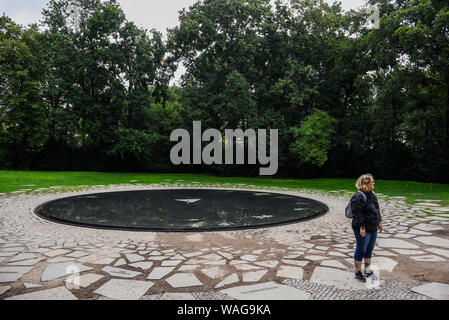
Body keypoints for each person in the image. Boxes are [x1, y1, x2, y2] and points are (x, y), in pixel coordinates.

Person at [351, 173, 383, 282]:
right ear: (365, 184)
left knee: (369, 249)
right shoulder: (358, 196)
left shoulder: (372, 194)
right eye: (372, 182)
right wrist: (362, 227)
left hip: (373, 227)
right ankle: (357, 272)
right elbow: (357, 213)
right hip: (363, 228)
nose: (374, 183)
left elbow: (377, 209)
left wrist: (380, 221)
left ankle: (367, 270)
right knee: (361, 249)